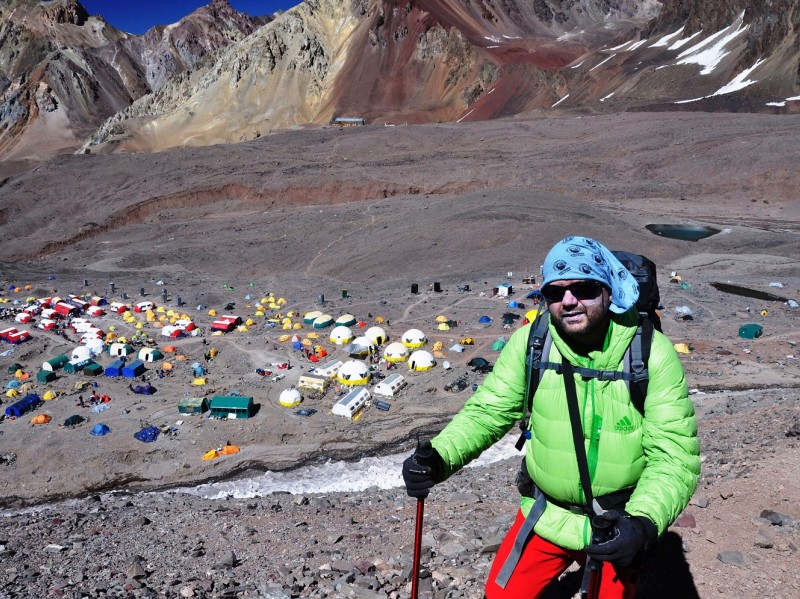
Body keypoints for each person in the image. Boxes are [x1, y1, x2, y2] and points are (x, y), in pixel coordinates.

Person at [402, 236, 700, 598]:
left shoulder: (650, 352)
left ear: (608, 291)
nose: (569, 301)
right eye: (556, 293)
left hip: (617, 522)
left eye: (584, 287)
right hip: (547, 515)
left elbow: (674, 456)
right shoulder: (532, 342)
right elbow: (488, 412)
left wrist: (642, 524)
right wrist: (439, 457)